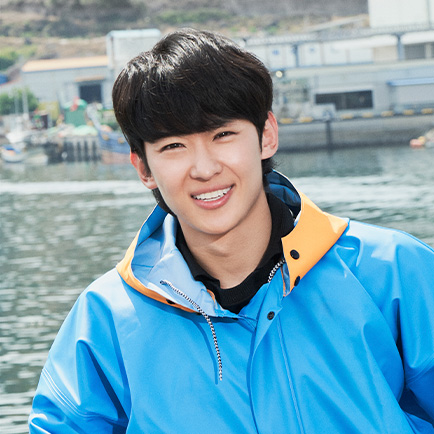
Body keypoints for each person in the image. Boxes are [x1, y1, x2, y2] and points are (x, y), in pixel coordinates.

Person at [29, 29, 434, 433]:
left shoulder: (392, 272)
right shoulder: (106, 319)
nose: (204, 169)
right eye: (173, 146)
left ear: (266, 136)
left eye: (222, 135)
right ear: (144, 168)